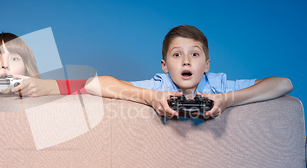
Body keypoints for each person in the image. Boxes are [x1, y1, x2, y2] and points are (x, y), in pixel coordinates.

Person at [83, 25, 293, 118]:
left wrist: (228, 100)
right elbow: (93, 84)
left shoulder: (217, 85)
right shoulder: (160, 86)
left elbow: (284, 84)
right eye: (176, 55)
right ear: (164, 66)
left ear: (207, 64)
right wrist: (150, 97)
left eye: (194, 54)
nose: (186, 61)